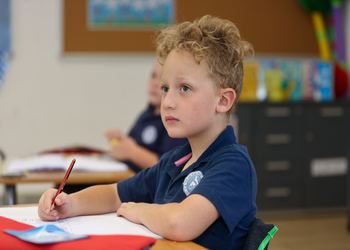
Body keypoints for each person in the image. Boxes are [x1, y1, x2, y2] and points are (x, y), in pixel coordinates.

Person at [38, 15, 257, 250]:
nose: (168, 101)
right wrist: (70, 203)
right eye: (165, 88)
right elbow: (114, 194)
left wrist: (140, 209)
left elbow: (179, 222)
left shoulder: (233, 164)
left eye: (184, 88)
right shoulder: (174, 162)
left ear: (223, 100)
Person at [105, 60, 187, 173]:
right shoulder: (147, 113)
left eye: (162, 79)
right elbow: (131, 142)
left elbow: (168, 166)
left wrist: (132, 152)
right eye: (153, 76)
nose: (154, 83)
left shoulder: (173, 119)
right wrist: (120, 140)